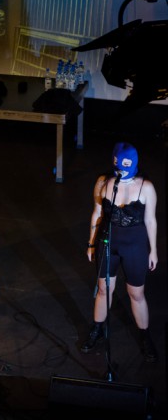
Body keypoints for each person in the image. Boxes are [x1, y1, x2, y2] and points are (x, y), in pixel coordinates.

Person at [81, 142, 158, 362]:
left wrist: (153, 251)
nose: (121, 168)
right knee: (104, 290)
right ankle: (97, 329)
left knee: (136, 293)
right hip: (108, 241)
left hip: (134, 246)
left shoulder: (146, 187)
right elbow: (97, 213)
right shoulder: (104, 182)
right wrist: (91, 243)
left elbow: (150, 220)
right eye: (118, 163)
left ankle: (145, 336)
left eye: (125, 164)